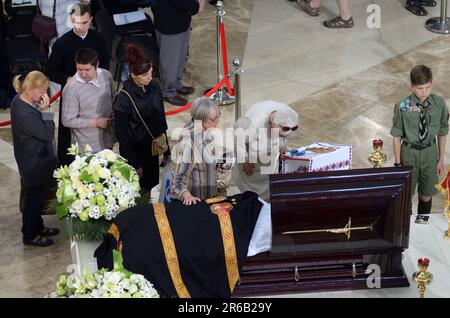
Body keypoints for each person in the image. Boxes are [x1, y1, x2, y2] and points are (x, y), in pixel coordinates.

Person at [47, 3, 109, 165]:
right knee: (67, 133)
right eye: (76, 22)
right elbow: (51, 70)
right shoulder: (62, 43)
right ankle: (66, 164)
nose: (80, 27)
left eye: (84, 22)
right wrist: (67, 80)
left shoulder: (98, 38)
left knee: (96, 127)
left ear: (91, 20)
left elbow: (105, 64)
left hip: (95, 93)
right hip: (72, 94)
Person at [390, 65, 449, 214]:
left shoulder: (439, 104)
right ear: (411, 86)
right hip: (409, 154)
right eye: (419, 88)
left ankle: (423, 223)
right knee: (405, 195)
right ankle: (406, 226)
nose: (424, 92)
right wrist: (398, 164)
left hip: (430, 153)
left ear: (432, 83)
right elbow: (396, 136)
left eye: (427, 88)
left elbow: (442, 132)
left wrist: (441, 158)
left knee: (427, 193)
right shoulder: (402, 106)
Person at [113, 44, 170, 196]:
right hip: (135, 152)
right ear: (133, 75)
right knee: (137, 192)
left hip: (153, 148)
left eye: (151, 73)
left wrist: (166, 148)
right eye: (145, 75)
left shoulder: (154, 87)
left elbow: (160, 118)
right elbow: (122, 137)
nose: (150, 78)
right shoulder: (123, 99)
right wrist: (134, 164)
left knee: (152, 185)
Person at [10, 71, 59, 247]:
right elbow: (46, 134)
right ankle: (29, 234)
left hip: (33, 157)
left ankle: (38, 226)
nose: (44, 95)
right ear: (29, 90)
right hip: (33, 161)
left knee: (37, 196)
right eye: (41, 91)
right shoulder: (25, 113)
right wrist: (46, 112)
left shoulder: (21, 100)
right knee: (33, 198)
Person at [232, 101, 299, 202]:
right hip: (252, 158)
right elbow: (238, 140)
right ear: (272, 124)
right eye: (283, 132)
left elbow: (285, 132)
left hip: (268, 157)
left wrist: (281, 144)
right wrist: (245, 160)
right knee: (252, 193)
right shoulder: (251, 123)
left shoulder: (288, 114)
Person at [152, 0, 205, 106]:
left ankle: (175, 84)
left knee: (179, 57)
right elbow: (191, 6)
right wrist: (197, 4)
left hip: (179, 21)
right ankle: (168, 92)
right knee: (170, 61)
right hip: (170, 24)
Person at [61, 48, 115, 152]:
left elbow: (113, 97)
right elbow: (67, 120)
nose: (83, 74)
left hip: (107, 140)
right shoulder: (71, 88)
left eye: (87, 70)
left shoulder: (106, 75)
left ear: (97, 65)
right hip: (86, 148)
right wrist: (96, 122)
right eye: (79, 69)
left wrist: (113, 111)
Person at [170, 97, 220, 205]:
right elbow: (176, 181)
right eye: (213, 119)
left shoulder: (205, 129)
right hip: (196, 202)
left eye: (218, 116)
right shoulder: (188, 143)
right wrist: (186, 195)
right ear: (200, 119)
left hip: (209, 198)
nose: (218, 121)